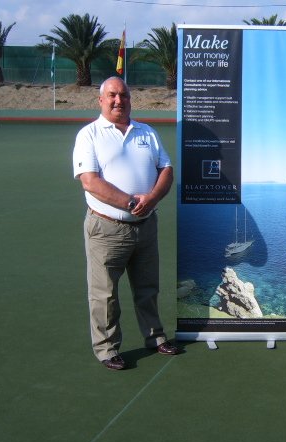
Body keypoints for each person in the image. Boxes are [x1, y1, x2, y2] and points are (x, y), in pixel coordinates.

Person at [73, 76, 179, 370]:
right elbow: (90, 181)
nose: (119, 100)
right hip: (107, 229)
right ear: (101, 100)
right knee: (104, 294)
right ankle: (107, 348)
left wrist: (152, 199)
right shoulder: (89, 135)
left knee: (148, 287)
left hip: (146, 226)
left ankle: (155, 336)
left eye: (124, 95)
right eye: (112, 95)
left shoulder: (147, 132)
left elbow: (166, 169)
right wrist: (130, 203)